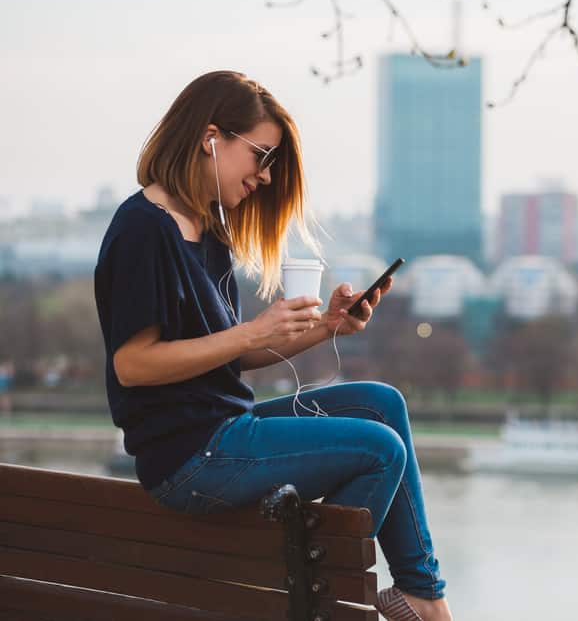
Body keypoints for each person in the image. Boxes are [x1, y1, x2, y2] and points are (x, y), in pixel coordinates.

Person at [93, 71, 451, 621]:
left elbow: (228, 356)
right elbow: (133, 366)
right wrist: (250, 331)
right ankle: (316, 601)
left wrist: (326, 327)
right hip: (190, 459)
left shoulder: (206, 229)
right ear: (212, 137)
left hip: (224, 431)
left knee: (382, 404)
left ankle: (420, 593)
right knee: (382, 450)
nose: (263, 176)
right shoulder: (144, 228)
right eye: (260, 155)